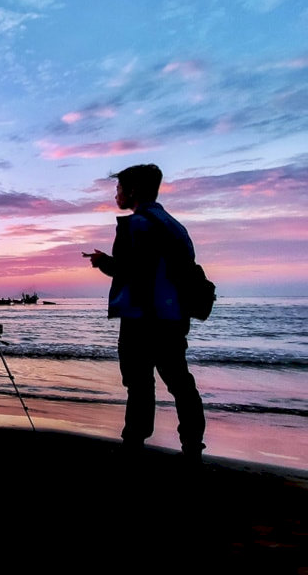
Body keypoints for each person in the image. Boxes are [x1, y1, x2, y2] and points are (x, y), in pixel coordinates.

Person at [84, 164, 205, 461]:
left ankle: (134, 443)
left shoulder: (135, 224)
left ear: (133, 190)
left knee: (139, 384)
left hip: (141, 317)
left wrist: (102, 262)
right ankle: (192, 445)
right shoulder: (176, 226)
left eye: (119, 188)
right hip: (174, 317)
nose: (116, 194)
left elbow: (130, 272)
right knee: (180, 382)